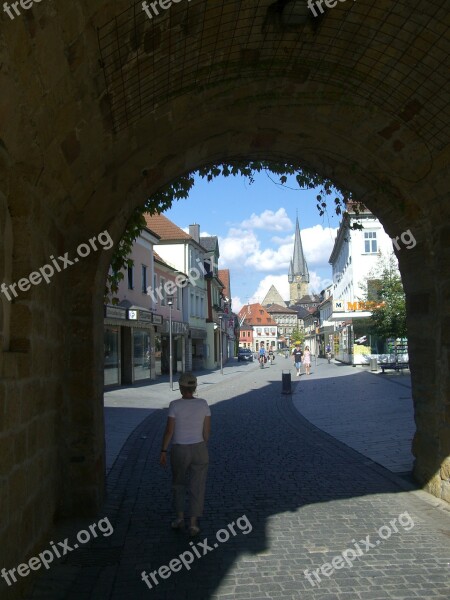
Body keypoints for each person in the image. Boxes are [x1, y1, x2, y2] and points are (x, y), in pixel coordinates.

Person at [160, 372, 211, 536]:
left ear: (181, 388)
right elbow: (207, 432)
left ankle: (180, 518)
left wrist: (163, 450)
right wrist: (202, 445)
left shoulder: (174, 405)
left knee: (179, 484)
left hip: (180, 449)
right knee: (198, 486)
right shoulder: (203, 404)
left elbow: (169, 431)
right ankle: (194, 523)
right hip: (199, 448)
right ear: (195, 388)